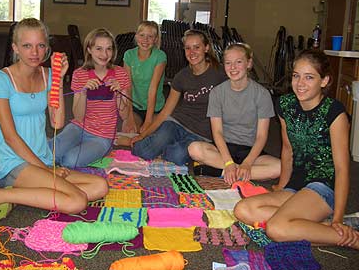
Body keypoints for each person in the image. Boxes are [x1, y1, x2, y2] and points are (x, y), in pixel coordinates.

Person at [0, 18, 108, 229]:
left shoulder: (48, 75)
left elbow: (58, 122)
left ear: (47, 48)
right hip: (14, 162)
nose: (34, 52)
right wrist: (45, 169)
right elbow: (10, 136)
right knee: (77, 200)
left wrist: (59, 80)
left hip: (42, 158)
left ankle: (16, 197)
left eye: (40, 45)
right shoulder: (1, 78)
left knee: (100, 186)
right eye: (27, 45)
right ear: (15, 48)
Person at [233, 49, 359, 249]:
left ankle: (348, 237)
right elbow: (288, 150)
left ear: (324, 81)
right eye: (296, 76)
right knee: (243, 210)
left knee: (276, 229)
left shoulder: (334, 113)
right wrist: (282, 186)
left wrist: (338, 218)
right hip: (296, 186)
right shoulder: (285, 105)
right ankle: (313, 226)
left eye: (309, 77)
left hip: (323, 187)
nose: (300, 84)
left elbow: (342, 169)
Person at [188, 43, 280, 185]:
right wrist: (228, 161)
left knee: (280, 167)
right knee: (194, 149)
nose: (233, 68)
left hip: (250, 151)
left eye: (238, 62)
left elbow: (262, 136)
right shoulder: (217, 93)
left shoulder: (262, 94)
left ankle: (220, 171)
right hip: (223, 148)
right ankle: (237, 172)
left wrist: (248, 163)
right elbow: (217, 132)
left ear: (248, 63)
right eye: (228, 63)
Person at [131, 29, 227, 165]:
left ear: (206, 48)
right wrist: (143, 134)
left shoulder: (220, 73)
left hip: (201, 133)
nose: (192, 52)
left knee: (177, 157)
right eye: (188, 48)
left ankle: (162, 146)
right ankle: (155, 141)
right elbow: (165, 112)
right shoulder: (182, 76)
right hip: (176, 124)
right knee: (144, 151)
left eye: (196, 47)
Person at [51, 28, 134, 169]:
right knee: (51, 153)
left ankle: (93, 149)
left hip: (103, 136)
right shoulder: (79, 74)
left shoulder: (120, 74)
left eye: (109, 49)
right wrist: (83, 92)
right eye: (99, 49)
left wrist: (119, 92)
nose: (104, 54)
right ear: (89, 49)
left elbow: (125, 116)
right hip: (79, 127)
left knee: (69, 161)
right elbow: (78, 116)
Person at [123, 20, 167, 133]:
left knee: (148, 135)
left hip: (155, 108)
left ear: (156, 39)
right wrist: (130, 117)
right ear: (136, 36)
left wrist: (148, 121)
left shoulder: (160, 56)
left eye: (150, 36)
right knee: (129, 132)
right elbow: (128, 87)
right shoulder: (129, 55)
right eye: (142, 35)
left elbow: (153, 89)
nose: (145, 40)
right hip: (135, 106)